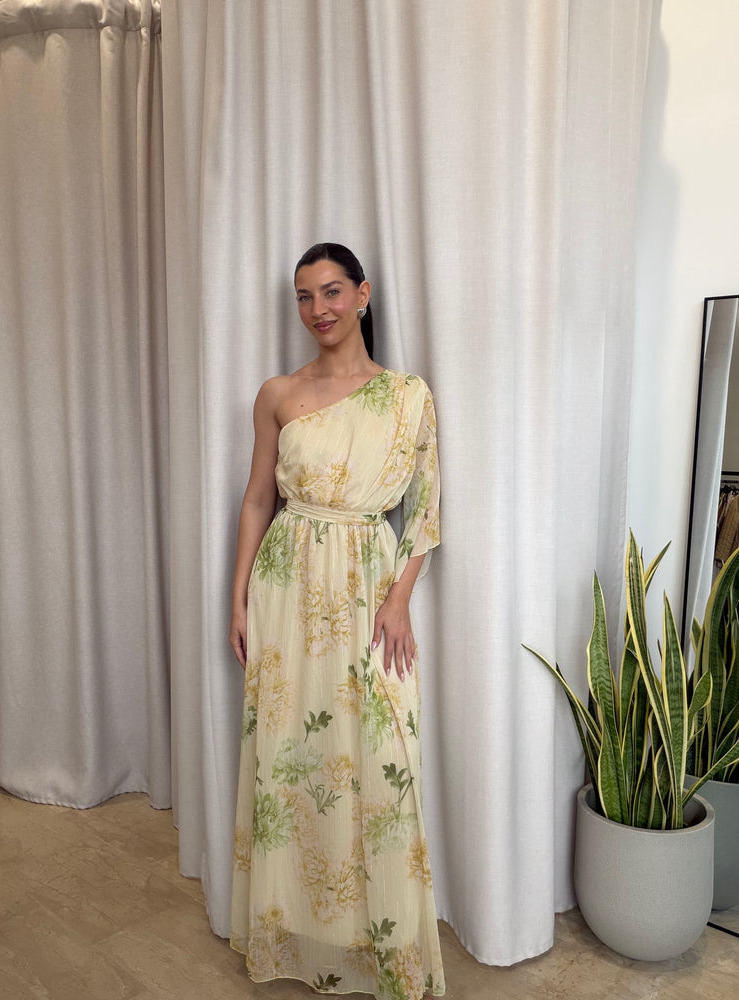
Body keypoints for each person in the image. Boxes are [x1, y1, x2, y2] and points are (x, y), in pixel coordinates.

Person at [228, 243, 445, 999]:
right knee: (293, 757)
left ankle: (385, 942)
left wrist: (399, 599)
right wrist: (238, 595)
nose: (317, 309)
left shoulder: (406, 395)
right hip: (287, 588)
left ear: (362, 294)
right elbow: (259, 499)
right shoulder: (278, 394)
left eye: (330, 291)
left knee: (378, 755)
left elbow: (426, 509)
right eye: (303, 296)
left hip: (368, 588)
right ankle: (298, 929)